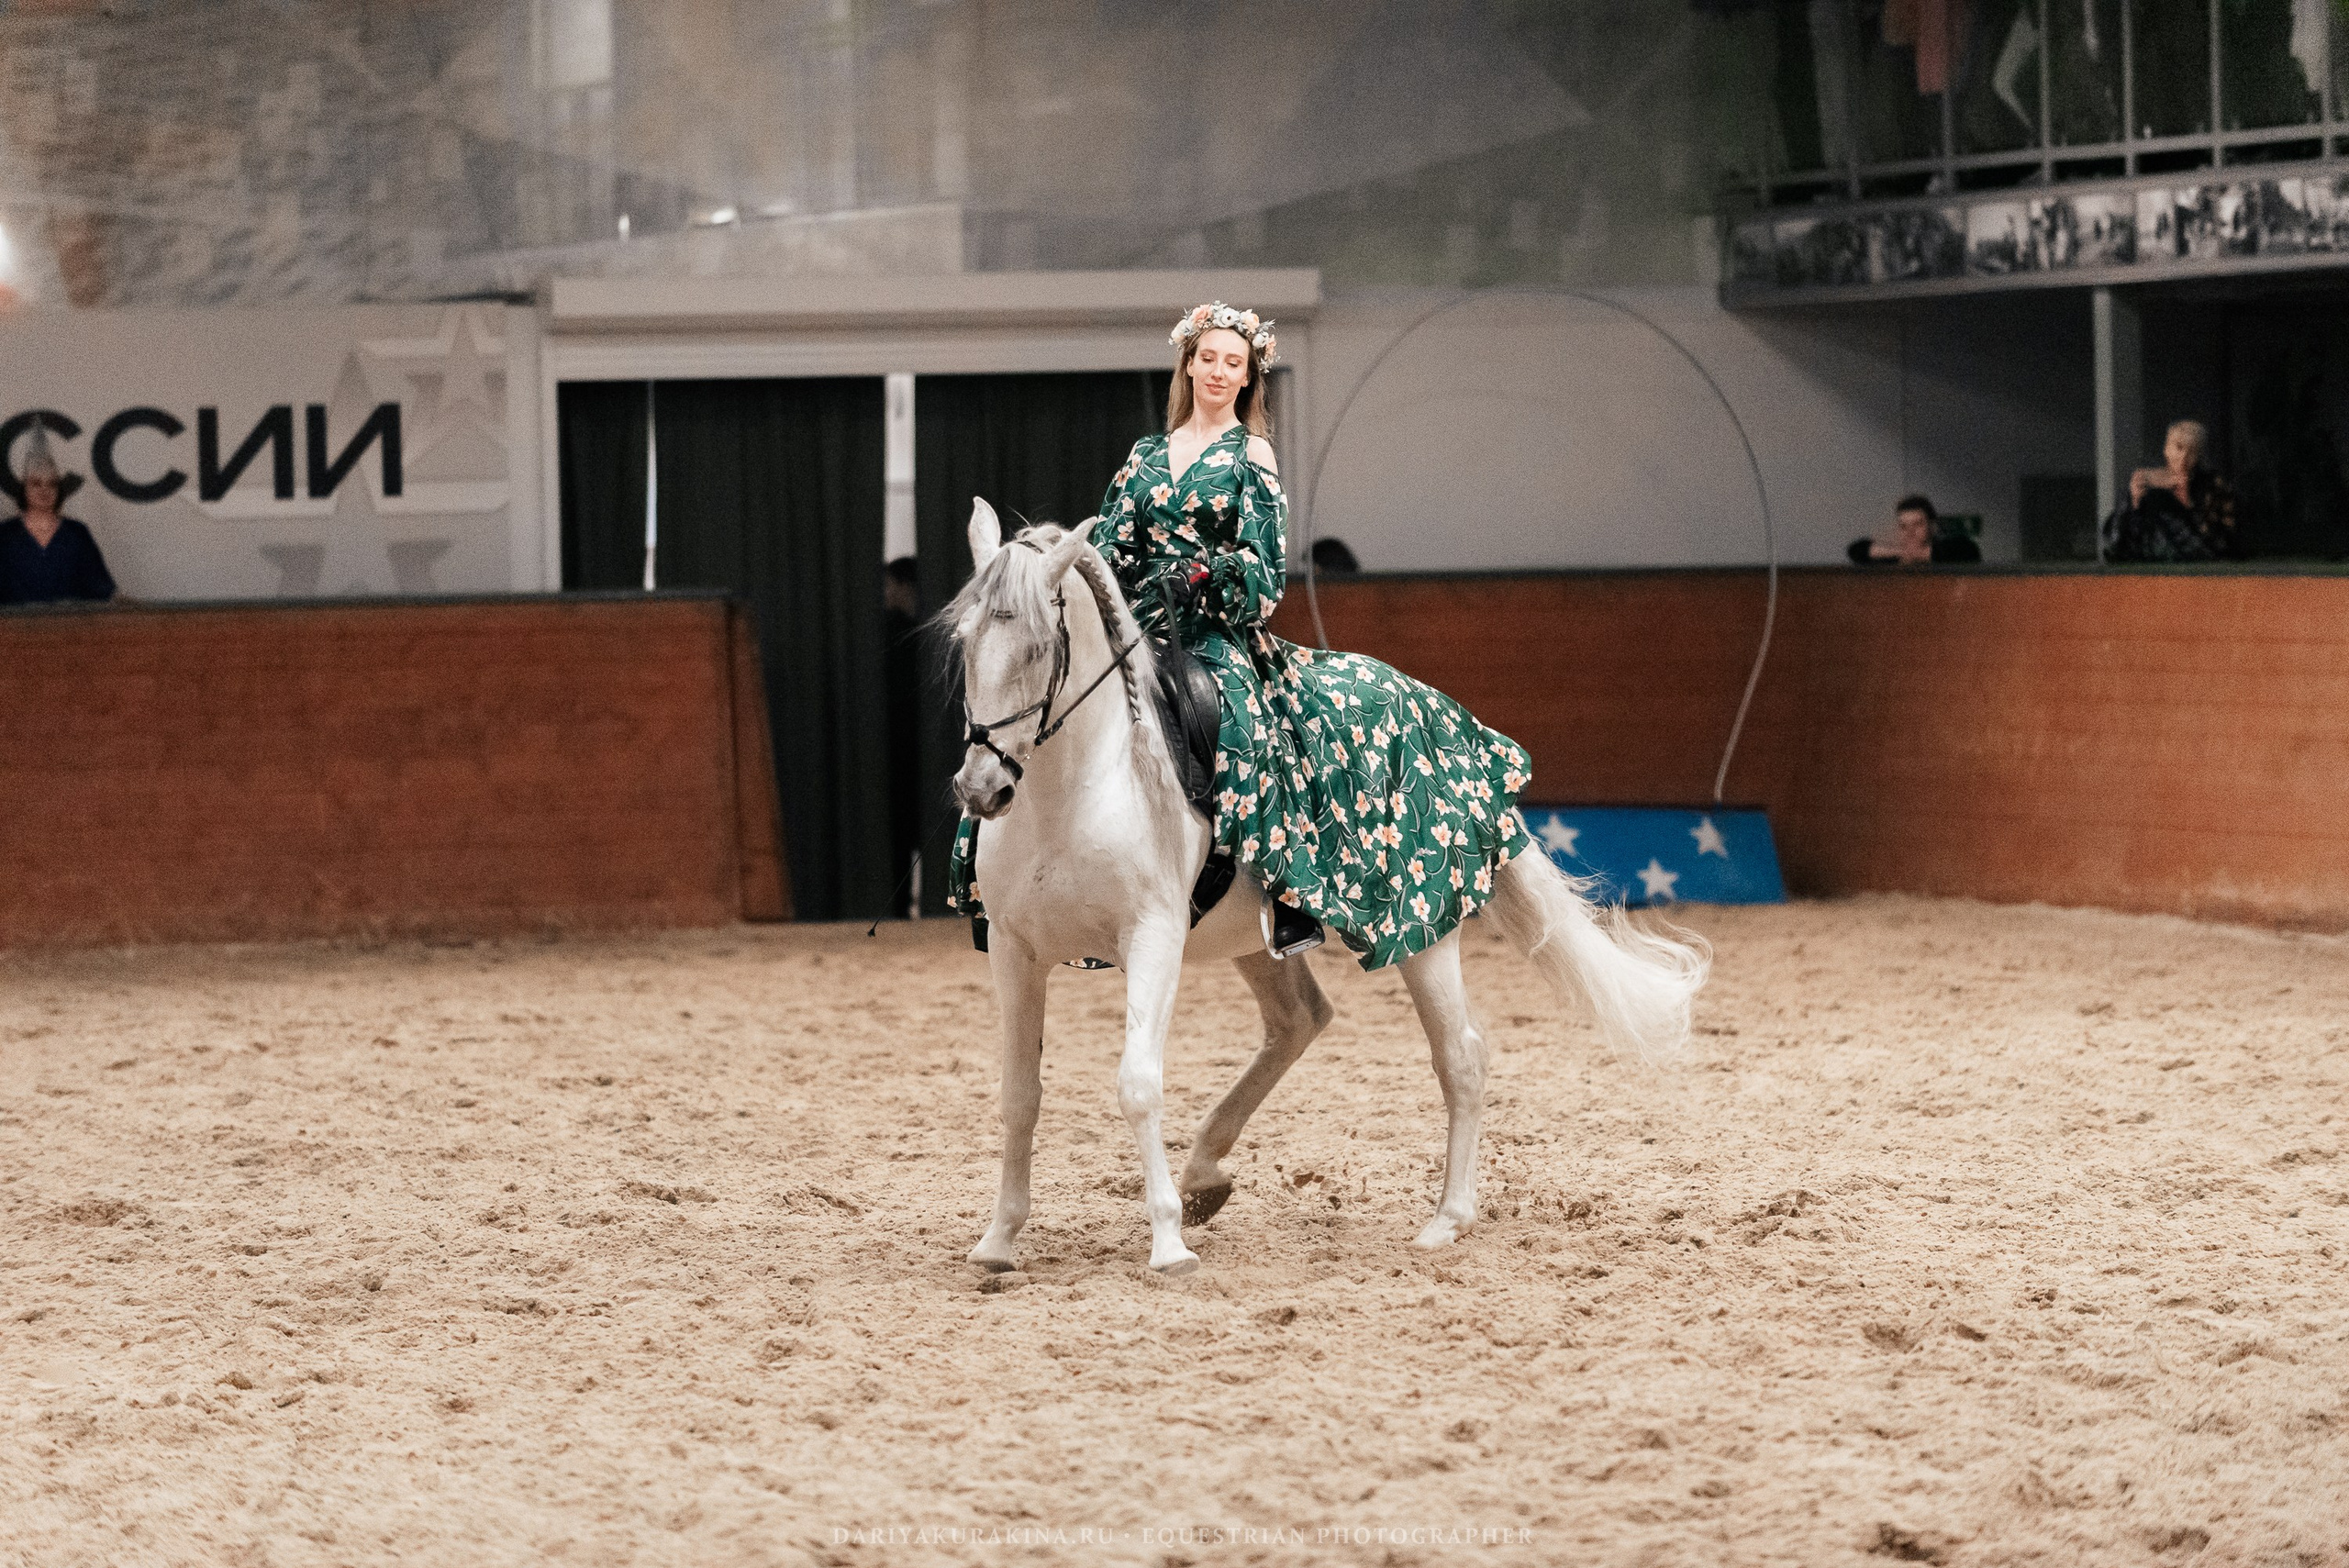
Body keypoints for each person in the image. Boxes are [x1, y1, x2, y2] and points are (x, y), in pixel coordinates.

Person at [947, 302, 1538, 969]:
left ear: (1249, 376)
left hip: (1214, 636)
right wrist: (1120, 590)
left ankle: (1285, 897)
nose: (1219, 372)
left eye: (1234, 362)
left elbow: (1263, 573)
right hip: (1136, 631)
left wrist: (1202, 576)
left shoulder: (1250, 455)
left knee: (1241, 723)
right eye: (1209, 359)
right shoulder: (1144, 458)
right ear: (1189, 365)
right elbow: (1106, 551)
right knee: (1036, 712)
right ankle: (997, 882)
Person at [2, 420, 116, 606]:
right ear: (24, 489)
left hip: (69, 631)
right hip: (14, 631)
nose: (44, 490)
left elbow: (100, 588)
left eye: (52, 484)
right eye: (36, 483)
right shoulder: (5, 535)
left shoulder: (76, 533)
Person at [2102, 419, 2243, 563]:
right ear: (2167, 450)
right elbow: (2119, 535)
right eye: (2178, 448)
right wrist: (2135, 502)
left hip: (2198, 552)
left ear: (2199, 456)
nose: (2184, 458)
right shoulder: (2149, 478)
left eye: (2192, 452)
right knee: (2148, 502)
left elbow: (2222, 539)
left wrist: (2185, 500)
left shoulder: (2211, 484)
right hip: (2149, 553)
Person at [1847, 494, 1979, 565]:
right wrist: (1900, 552)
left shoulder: (1950, 550)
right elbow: (1857, 550)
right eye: (1903, 526)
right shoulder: (1893, 558)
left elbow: (1969, 551)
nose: (1910, 532)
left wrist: (1916, 554)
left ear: (1932, 526)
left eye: (1918, 524)